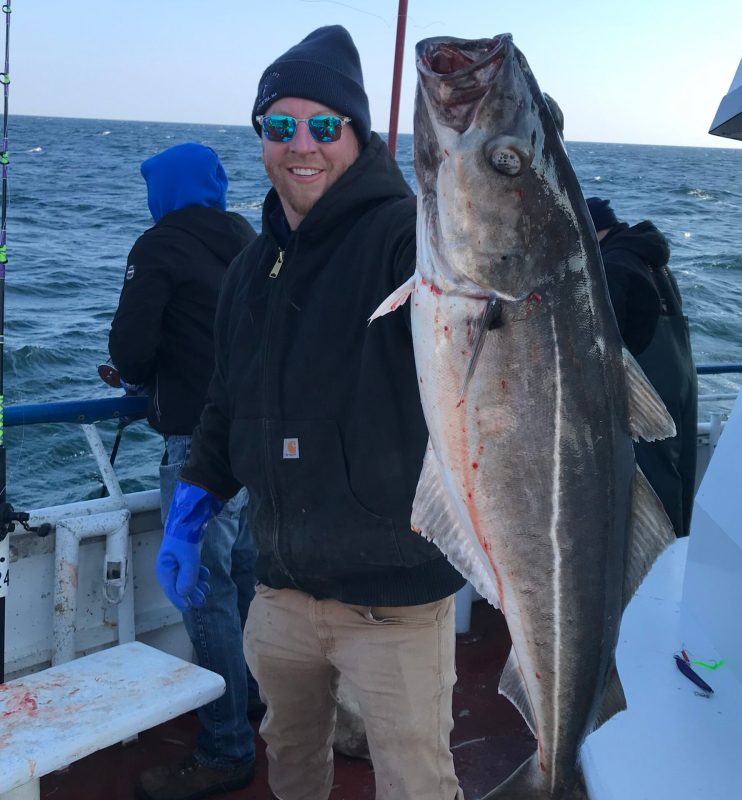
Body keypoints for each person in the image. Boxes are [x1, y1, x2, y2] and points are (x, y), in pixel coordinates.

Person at [154, 25, 466, 800]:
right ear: (260, 136)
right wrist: (194, 501)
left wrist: (485, 166)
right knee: (290, 761)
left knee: (417, 782)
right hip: (283, 590)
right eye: (280, 125)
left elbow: (468, 261)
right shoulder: (249, 268)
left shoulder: (406, 236)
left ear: (356, 136)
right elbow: (228, 402)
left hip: (394, 600)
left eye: (324, 126)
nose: (303, 145)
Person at [108, 142, 260, 800]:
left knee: (205, 597)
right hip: (258, 443)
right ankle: (251, 706)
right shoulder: (248, 237)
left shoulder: (159, 245)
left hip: (200, 450)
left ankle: (226, 747)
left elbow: (133, 351)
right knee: (249, 583)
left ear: (163, 191)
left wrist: (135, 374)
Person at [586, 196, 698, 537]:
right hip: (679, 379)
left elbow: (602, 343)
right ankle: (676, 560)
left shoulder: (613, 265)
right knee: (678, 474)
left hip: (646, 390)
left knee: (648, 488)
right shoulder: (650, 257)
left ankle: (652, 576)